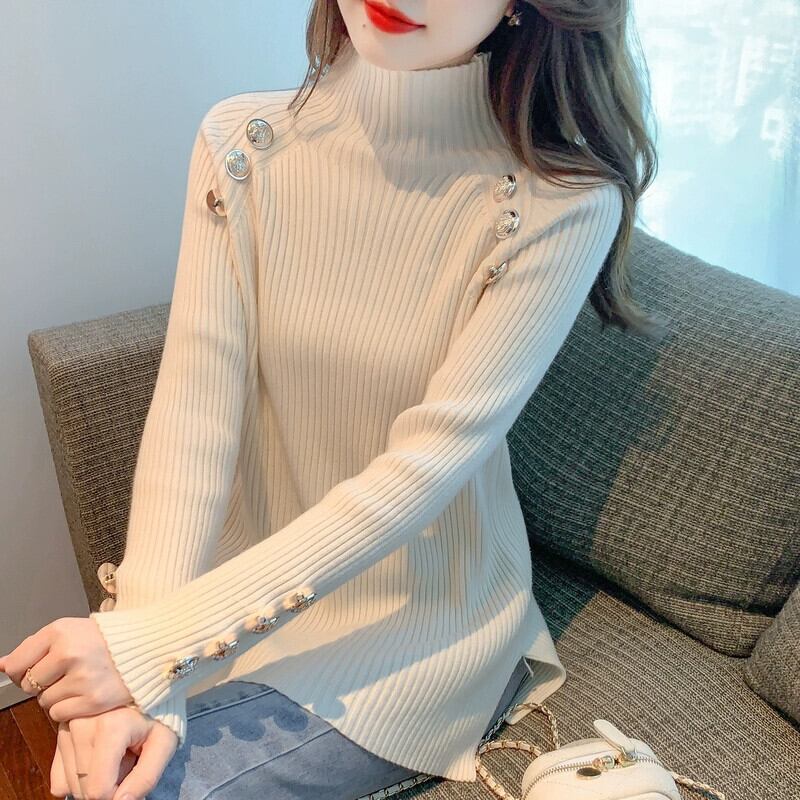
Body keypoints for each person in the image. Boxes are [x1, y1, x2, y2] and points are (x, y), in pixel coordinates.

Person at [0, 1, 664, 798]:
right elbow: (195, 413)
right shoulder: (242, 145)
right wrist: (143, 645)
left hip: (417, 624)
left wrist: (152, 650)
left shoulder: (562, 204)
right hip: (232, 590)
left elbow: (422, 472)